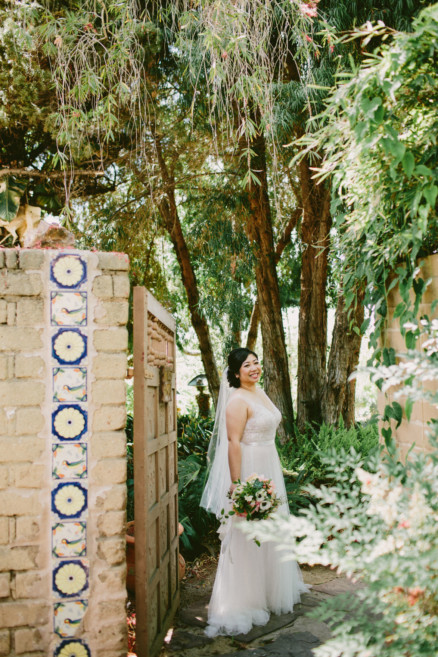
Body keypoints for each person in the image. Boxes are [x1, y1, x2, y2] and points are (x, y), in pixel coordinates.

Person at [200, 347, 308, 637]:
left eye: (256, 363)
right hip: (249, 467)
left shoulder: (259, 392)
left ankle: (271, 589)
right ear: (236, 373)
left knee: (271, 525)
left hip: (268, 463)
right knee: (248, 531)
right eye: (247, 365)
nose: (254, 368)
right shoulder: (237, 401)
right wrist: (237, 483)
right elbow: (233, 443)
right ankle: (245, 598)